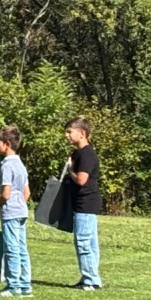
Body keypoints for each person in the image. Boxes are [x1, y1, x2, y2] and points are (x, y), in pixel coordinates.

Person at [0, 125, 33, 297]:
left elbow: (5, 193)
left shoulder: (7, 165)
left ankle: (13, 285)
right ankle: (25, 284)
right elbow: (27, 192)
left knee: (11, 248)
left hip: (11, 212)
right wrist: (20, 203)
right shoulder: (20, 164)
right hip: (22, 210)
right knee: (21, 248)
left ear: (7, 144)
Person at [64, 116, 103, 290]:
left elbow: (81, 180)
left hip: (85, 204)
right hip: (83, 204)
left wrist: (71, 169)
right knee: (89, 242)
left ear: (82, 133)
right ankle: (91, 277)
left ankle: (90, 280)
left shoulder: (87, 154)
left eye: (69, 132)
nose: (66, 135)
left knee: (84, 242)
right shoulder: (78, 153)